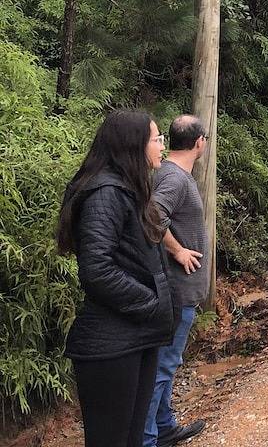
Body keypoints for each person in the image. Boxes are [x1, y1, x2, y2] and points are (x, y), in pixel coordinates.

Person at [57, 110, 178, 447]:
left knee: (132, 439)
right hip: (110, 345)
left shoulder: (128, 190)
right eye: (156, 139)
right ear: (133, 145)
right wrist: (151, 303)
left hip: (137, 335)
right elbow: (97, 269)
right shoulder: (105, 193)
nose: (162, 145)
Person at [144, 115, 209, 447]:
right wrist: (178, 250)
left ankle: (164, 426)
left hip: (180, 291)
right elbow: (153, 214)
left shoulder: (173, 174)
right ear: (199, 142)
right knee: (161, 367)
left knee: (167, 364)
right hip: (175, 291)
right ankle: (148, 438)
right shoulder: (174, 178)